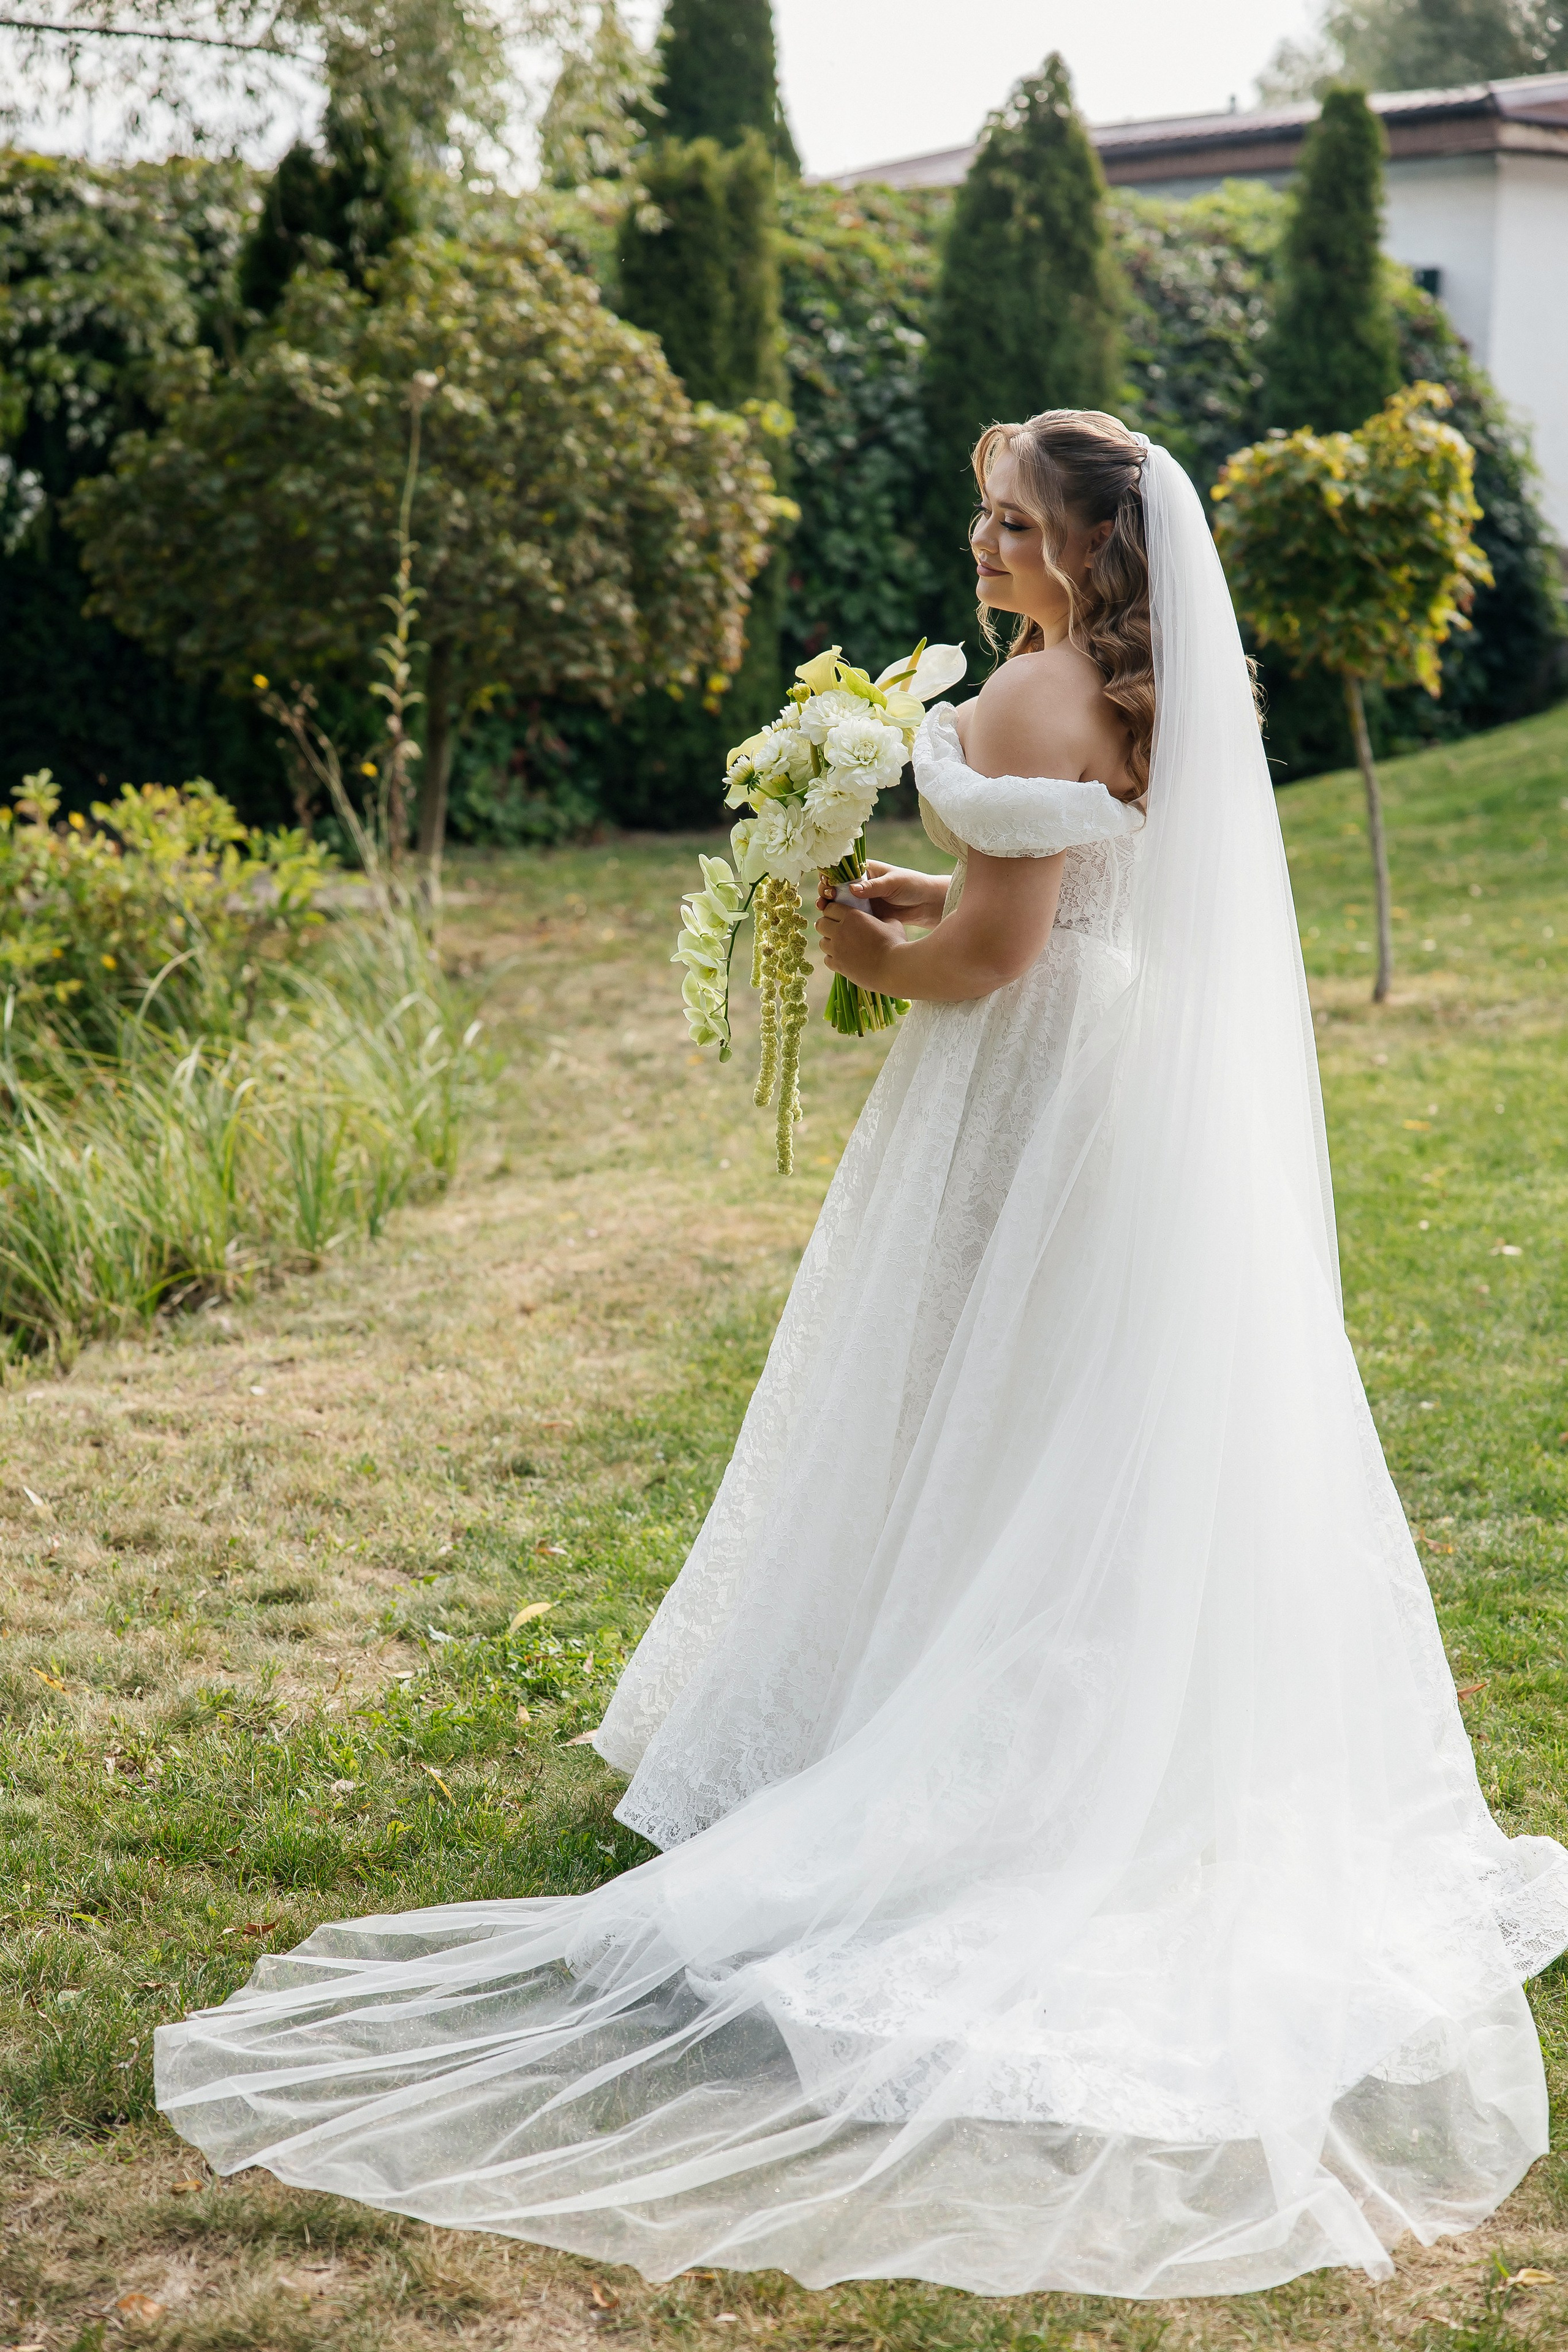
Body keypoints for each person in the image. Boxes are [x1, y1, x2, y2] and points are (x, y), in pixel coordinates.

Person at [154, 412, 1568, 2302]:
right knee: (1078, 1424)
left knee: (974, 1402)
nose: (984, 545)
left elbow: (990, 962)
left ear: (1093, 551)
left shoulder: (1033, 698)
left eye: (1016, 524)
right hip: (1131, 1104)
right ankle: (1093, 1721)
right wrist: (927, 905)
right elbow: (1068, 907)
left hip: (1030, 1097)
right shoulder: (1143, 697)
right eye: (984, 515)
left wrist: (854, 942)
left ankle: (955, 1745)